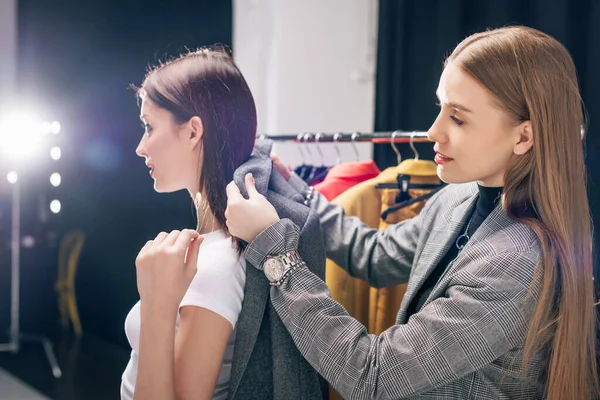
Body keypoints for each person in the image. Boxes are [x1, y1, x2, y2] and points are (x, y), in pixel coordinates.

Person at [224, 26, 599, 399]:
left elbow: (371, 375)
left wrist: (276, 254)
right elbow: (373, 255)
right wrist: (298, 191)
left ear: (523, 137)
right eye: (441, 108)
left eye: (459, 118)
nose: (433, 131)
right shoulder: (460, 197)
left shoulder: (515, 265)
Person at [122, 47, 327, 400]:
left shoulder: (216, 263)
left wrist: (157, 304)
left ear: (192, 132)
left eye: (149, 126)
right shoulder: (214, 247)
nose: (141, 146)